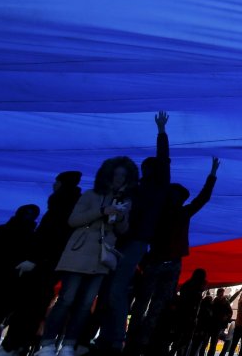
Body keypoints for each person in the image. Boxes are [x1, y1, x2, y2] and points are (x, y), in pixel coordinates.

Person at [36, 156, 137, 356]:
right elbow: (73, 220)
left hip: (102, 257)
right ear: (107, 175)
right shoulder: (90, 195)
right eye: (116, 175)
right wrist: (101, 211)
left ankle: (68, 344)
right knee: (66, 299)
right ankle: (47, 344)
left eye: (123, 176)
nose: (119, 179)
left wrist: (121, 217)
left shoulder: (125, 202)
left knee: (85, 305)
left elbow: (123, 230)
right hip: (79, 252)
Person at [127, 156, 220, 356]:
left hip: (168, 263)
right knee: (146, 302)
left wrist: (212, 175)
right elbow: (201, 198)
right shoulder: (160, 212)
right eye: (175, 195)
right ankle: (135, 340)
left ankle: (141, 341)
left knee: (155, 304)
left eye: (179, 196)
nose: (178, 199)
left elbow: (203, 198)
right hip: (160, 261)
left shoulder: (181, 212)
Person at [99, 112, 172, 356]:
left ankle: (115, 340)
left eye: (147, 168)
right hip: (122, 239)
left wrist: (161, 132)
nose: (145, 171)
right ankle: (107, 338)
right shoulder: (135, 189)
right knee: (109, 289)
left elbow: (164, 160)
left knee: (117, 289)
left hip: (138, 240)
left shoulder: (158, 186)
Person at [0, 171, 83, 356]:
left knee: (29, 304)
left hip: (41, 265)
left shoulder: (59, 207)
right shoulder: (72, 205)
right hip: (53, 265)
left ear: (60, 184)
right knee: (35, 305)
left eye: (56, 182)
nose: (53, 185)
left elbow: (48, 235)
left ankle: (12, 345)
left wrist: (34, 259)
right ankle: (19, 344)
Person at [0, 204, 40, 349]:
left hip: (10, 281)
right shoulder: (32, 237)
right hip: (11, 281)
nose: (28, 216)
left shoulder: (5, 230)